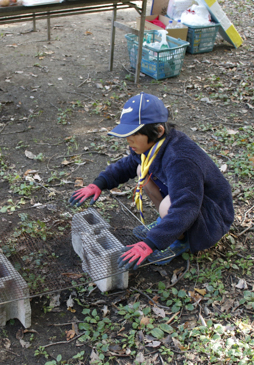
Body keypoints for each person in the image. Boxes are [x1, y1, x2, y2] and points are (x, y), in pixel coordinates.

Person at [69, 92, 234, 270]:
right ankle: (167, 225)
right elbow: (129, 164)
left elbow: (186, 206)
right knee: (142, 170)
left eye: (134, 134)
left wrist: (152, 242)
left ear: (158, 131)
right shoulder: (155, 145)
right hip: (190, 199)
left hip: (210, 218)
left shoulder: (180, 159)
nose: (128, 140)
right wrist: (99, 183)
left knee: (168, 208)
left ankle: (180, 240)